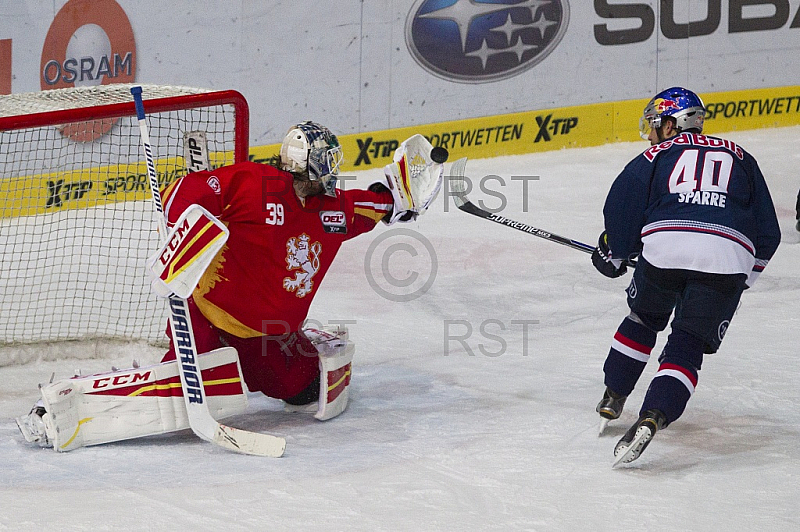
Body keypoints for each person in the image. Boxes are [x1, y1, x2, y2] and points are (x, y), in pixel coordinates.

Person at [16, 121, 445, 451]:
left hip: (269, 336)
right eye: (328, 163)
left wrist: (408, 186)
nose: (335, 173)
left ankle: (298, 346)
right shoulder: (253, 183)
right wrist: (186, 237)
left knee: (307, 389)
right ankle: (57, 408)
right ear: (310, 166)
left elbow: (384, 201)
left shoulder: (333, 210)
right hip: (209, 319)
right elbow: (181, 193)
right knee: (173, 400)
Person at [591, 87, 781, 465]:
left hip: (667, 247)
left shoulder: (653, 155)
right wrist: (742, 278)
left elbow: (623, 206)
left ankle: (614, 393)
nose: (649, 133)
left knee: (643, 318)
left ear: (671, 123)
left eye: (654, 124)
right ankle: (654, 415)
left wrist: (615, 253)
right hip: (729, 256)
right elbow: (768, 233)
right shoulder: (742, 157)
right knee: (689, 342)